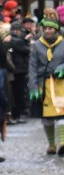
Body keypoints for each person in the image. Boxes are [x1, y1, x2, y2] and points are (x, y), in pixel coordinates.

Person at [28, 18, 64, 155]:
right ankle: (51, 144)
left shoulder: (63, 43)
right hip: (43, 84)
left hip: (61, 84)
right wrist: (33, 87)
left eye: (50, 28)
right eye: (46, 28)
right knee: (47, 117)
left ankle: (62, 142)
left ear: (56, 29)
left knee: (62, 113)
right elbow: (32, 67)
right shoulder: (36, 46)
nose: (48, 31)